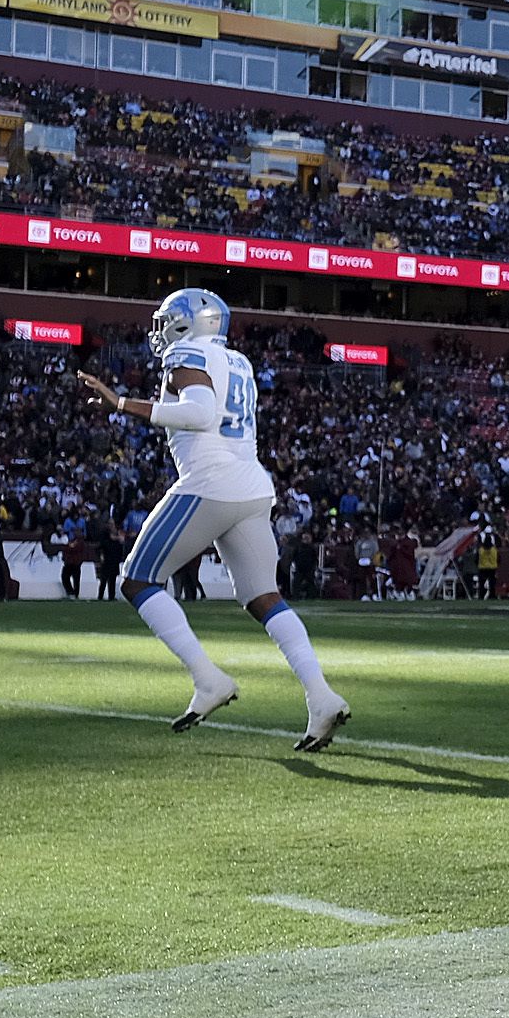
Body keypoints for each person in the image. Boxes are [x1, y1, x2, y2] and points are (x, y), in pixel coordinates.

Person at [78, 288, 351, 755]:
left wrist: (123, 404)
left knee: (137, 579)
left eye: (167, 321)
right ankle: (321, 697)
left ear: (186, 324)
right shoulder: (238, 362)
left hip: (210, 482)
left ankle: (208, 680)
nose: (161, 332)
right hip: (252, 486)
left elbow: (200, 414)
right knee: (264, 598)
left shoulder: (185, 353)